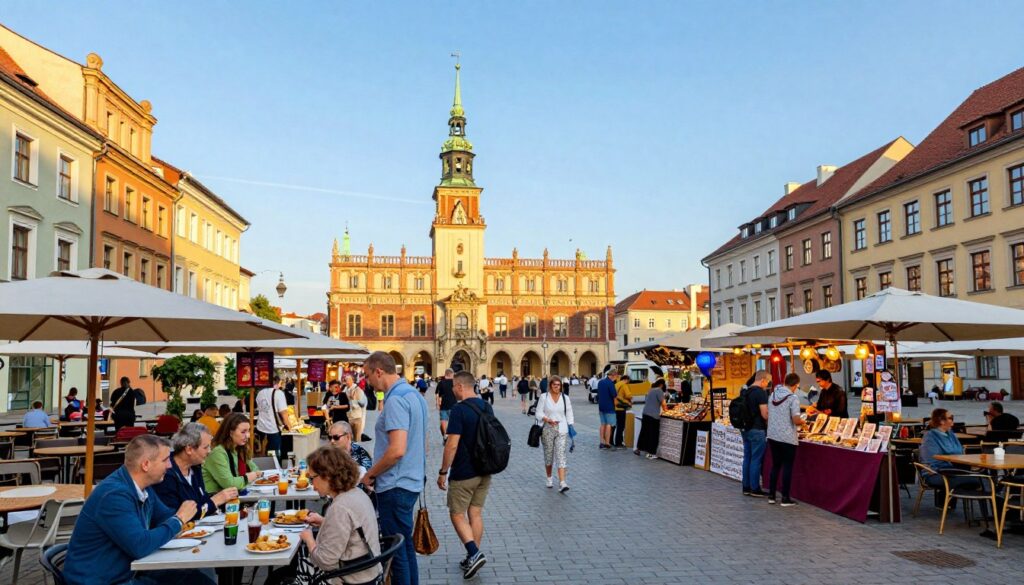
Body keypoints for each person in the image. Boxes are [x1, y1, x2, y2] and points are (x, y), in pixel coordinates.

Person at [64, 435, 210, 585]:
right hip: (99, 580)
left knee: (196, 578)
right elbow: (140, 545)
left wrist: (184, 518)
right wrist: (179, 520)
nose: (170, 465)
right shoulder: (114, 495)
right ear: (145, 465)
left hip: (125, 573)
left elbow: (164, 516)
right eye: (165, 460)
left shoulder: (143, 487)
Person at [362, 351, 428, 585]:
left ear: (379, 371)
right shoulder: (415, 395)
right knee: (405, 547)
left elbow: (397, 449)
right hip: (410, 480)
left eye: (368, 375)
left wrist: (370, 474)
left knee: (396, 551)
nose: (367, 381)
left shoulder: (395, 399)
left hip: (395, 484)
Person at [297, 446, 382, 585]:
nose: (312, 485)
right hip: (369, 569)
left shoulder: (339, 507)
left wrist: (308, 539)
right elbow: (352, 528)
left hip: (352, 577)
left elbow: (325, 562)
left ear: (328, 476)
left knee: (300, 562)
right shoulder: (356, 493)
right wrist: (324, 521)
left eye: (312, 478)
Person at [437, 371, 493, 578]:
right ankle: (473, 556)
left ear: (460, 386)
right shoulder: (486, 406)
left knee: (457, 514)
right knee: (475, 513)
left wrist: (443, 471)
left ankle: (474, 553)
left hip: (464, 471)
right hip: (485, 470)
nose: (452, 390)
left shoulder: (459, 410)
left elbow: (451, 444)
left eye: (453, 387)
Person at [153, 423, 239, 521]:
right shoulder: (165, 474)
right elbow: (178, 518)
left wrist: (217, 499)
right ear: (189, 449)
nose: (209, 451)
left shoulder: (195, 467)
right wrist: (215, 500)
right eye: (206, 447)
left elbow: (202, 502)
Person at [919, 408, 986, 495]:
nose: (953, 422)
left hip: (953, 470)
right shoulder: (930, 437)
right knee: (983, 480)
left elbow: (960, 452)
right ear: (941, 421)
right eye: (951, 418)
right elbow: (932, 460)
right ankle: (997, 505)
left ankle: (996, 503)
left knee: (984, 477)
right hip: (936, 473)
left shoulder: (950, 434)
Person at [767, 374, 803, 506]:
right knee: (787, 466)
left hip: (772, 435)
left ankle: (771, 495)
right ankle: (785, 497)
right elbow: (796, 419)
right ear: (795, 385)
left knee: (775, 465)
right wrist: (803, 422)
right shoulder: (793, 398)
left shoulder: (773, 395)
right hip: (787, 437)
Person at [202, 413, 261, 492]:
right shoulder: (218, 452)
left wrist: (252, 475)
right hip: (214, 499)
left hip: (232, 497)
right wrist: (248, 477)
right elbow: (229, 484)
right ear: (230, 433)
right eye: (243, 432)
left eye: (248, 431)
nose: (248, 436)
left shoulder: (239, 448)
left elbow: (255, 469)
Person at [535, 376, 574, 492]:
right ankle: (549, 477)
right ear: (550, 386)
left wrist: (571, 425)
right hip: (547, 428)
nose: (557, 387)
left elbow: (569, 413)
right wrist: (547, 419)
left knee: (561, 454)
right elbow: (538, 413)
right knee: (549, 455)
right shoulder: (544, 397)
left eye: (559, 385)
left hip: (562, 428)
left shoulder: (565, 398)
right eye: (554, 385)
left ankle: (562, 482)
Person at [741, 370, 771, 497]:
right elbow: (765, 414)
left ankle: (746, 487)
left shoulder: (745, 391)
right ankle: (755, 488)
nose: (767, 385)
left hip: (745, 429)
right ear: (763, 380)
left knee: (747, 457)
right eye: (767, 382)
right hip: (757, 429)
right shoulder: (760, 393)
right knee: (756, 459)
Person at [255, 376, 289, 460]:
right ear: (277, 383)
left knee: (265, 453)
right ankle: (274, 468)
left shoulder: (260, 393)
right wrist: (289, 426)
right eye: (280, 383)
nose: (281, 386)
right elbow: (283, 413)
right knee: (274, 455)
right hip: (273, 428)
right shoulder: (278, 393)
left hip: (261, 427)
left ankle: (264, 465)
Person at [636, 379, 667, 459]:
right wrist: (667, 411)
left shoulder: (651, 390)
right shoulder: (659, 390)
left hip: (645, 413)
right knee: (653, 434)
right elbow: (663, 403)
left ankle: (638, 448)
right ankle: (651, 453)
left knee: (644, 432)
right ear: (661, 385)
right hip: (653, 415)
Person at [597, 369, 619, 450]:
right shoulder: (610, 383)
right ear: (613, 375)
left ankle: (601, 442)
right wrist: (616, 405)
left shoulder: (600, 382)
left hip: (601, 406)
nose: (616, 378)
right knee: (609, 424)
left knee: (603, 424)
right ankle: (607, 442)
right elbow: (614, 395)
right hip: (609, 406)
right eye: (616, 376)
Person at [344, 374, 368, 441]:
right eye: (345, 380)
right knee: (350, 438)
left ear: (352, 381)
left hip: (357, 416)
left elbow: (362, 403)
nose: (346, 382)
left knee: (357, 438)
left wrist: (353, 399)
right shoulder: (346, 389)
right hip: (349, 416)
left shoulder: (357, 390)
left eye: (348, 380)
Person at [436, 368, 457, 439]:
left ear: (446, 374)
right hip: (453, 404)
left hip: (444, 404)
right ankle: (452, 434)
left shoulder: (441, 382)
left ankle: (445, 434)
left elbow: (438, 394)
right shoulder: (455, 382)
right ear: (451, 374)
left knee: (443, 419)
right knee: (453, 420)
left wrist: (438, 404)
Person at [613, 375, 632, 448]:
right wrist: (630, 398)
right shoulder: (624, 385)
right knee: (621, 426)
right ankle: (619, 443)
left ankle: (612, 441)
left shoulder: (616, 384)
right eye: (628, 381)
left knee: (615, 425)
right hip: (621, 408)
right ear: (626, 379)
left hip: (615, 407)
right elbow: (628, 395)